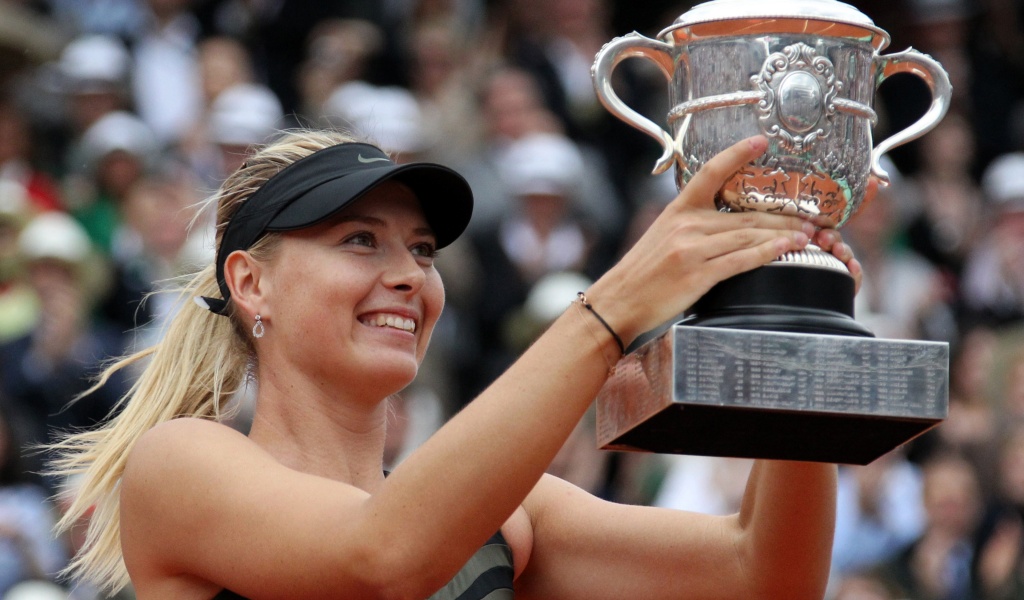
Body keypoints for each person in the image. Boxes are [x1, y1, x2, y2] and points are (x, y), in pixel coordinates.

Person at [47, 128, 863, 600]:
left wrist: (795, 343)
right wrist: (613, 306)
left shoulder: (511, 513)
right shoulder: (182, 464)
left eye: (424, 249)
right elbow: (382, 558)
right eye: (359, 239)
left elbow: (767, 576)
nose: (408, 273)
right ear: (251, 282)